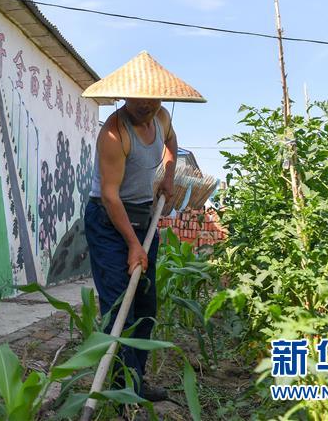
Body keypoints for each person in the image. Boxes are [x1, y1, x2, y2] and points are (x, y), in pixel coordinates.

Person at [82, 51, 205, 408]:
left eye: (153, 99)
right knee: (120, 306)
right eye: (139, 100)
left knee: (146, 305)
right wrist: (134, 245)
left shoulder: (161, 118)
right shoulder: (114, 133)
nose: (146, 106)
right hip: (108, 220)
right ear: (125, 96)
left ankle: (134, 382)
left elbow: (172, 142)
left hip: (142, 215)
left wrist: (169, 175)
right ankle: (120, 394)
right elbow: (109, 196)